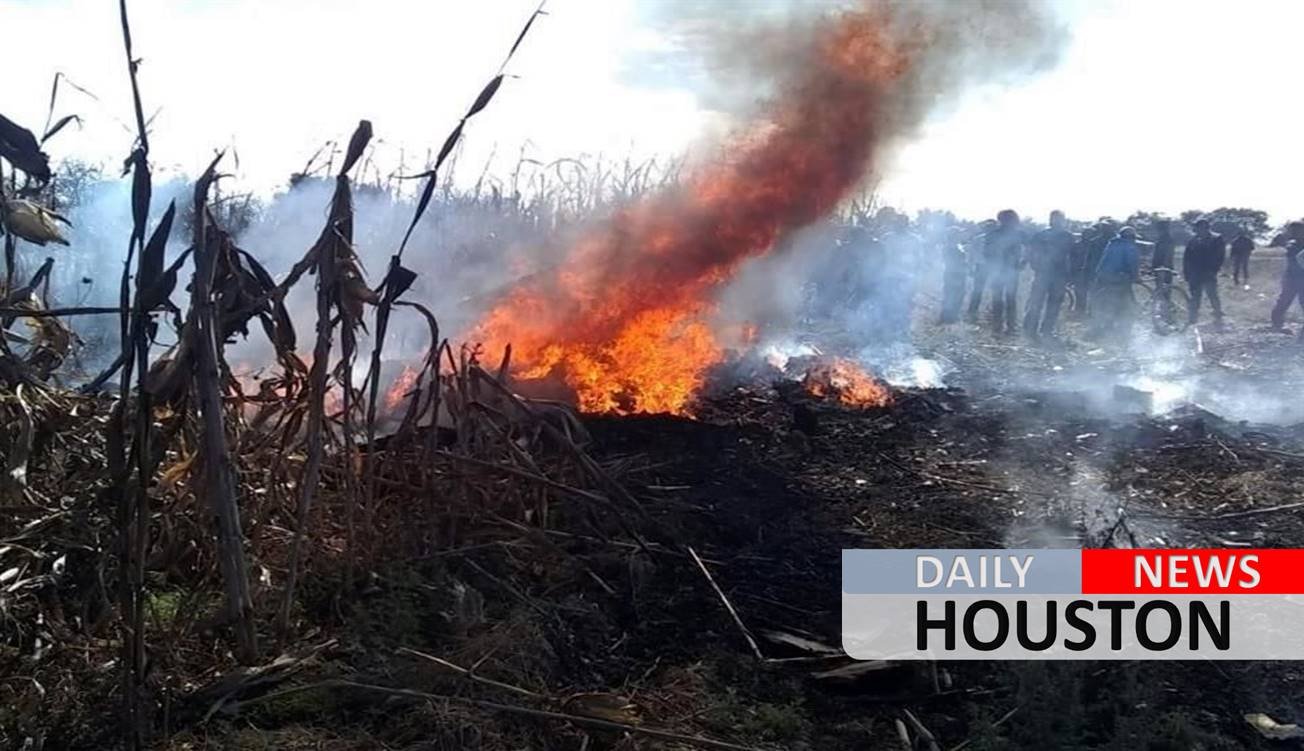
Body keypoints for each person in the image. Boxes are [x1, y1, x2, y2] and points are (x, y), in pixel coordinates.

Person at [1023, 210, 1076, 339]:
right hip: (1046, 273)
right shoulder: (1044, 235)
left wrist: (1070, 274)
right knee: (1040, 302)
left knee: (1051, 303)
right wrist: (1035, 266)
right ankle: (1035, 329)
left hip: (1057, 274)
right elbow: (1031, 252)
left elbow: (1072, 256)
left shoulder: (1065, 236)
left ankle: (1044, 330)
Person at [967, 209, 1023, 334]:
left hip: (1010, 271)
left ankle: (1007, 326)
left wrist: (1020, 262)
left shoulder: (1016, 235)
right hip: (1001, 271)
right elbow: (987, 253)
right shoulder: (995, 235)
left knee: (1007, 299)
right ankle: (1002, 326)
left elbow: (1023, 251)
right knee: (1002, 299)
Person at [1092, 226, 1141, 338]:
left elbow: (1103, 261)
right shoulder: (1129, 246)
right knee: (1127, 303)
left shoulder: (1112, 244)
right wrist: (1136, 277)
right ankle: (1123, 332)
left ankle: (1106, 325)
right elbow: (1132, 263)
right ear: (1131, 237)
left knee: (1110, 301)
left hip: (1103, 276)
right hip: (1119, 278)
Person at [1183, 218, 1226, 329]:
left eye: (1199, 228)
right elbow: (1187, 257)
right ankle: (1193, 317)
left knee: (1212, 294)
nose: (1197, 230)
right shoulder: (1193, 241)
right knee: (1195, 296)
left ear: (1205, 228)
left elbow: (1220, 256)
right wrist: (1186, 272)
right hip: (1194, 272)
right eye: (1197, 228)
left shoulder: (1216, 239)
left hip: (1208, 271)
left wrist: (1214, 270)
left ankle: (1217, 313)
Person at [1270, 221, 1304, 333]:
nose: (1294, 232)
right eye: (1293, 230)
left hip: (1297, 277)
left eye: (1297, 230)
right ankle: (1277, 323)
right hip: (1292, 277)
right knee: (1284, 300)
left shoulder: (1293, 244)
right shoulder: (1292, 244)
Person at [939, 226, 968, 324]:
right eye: (958, 233)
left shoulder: (958, 245)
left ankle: (953, 315)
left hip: (959, 273)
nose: (961, 235)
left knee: (958, 294)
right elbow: (950, 261)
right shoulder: (949, 246)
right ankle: (948, 316)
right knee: (951, 294)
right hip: (953, 273)